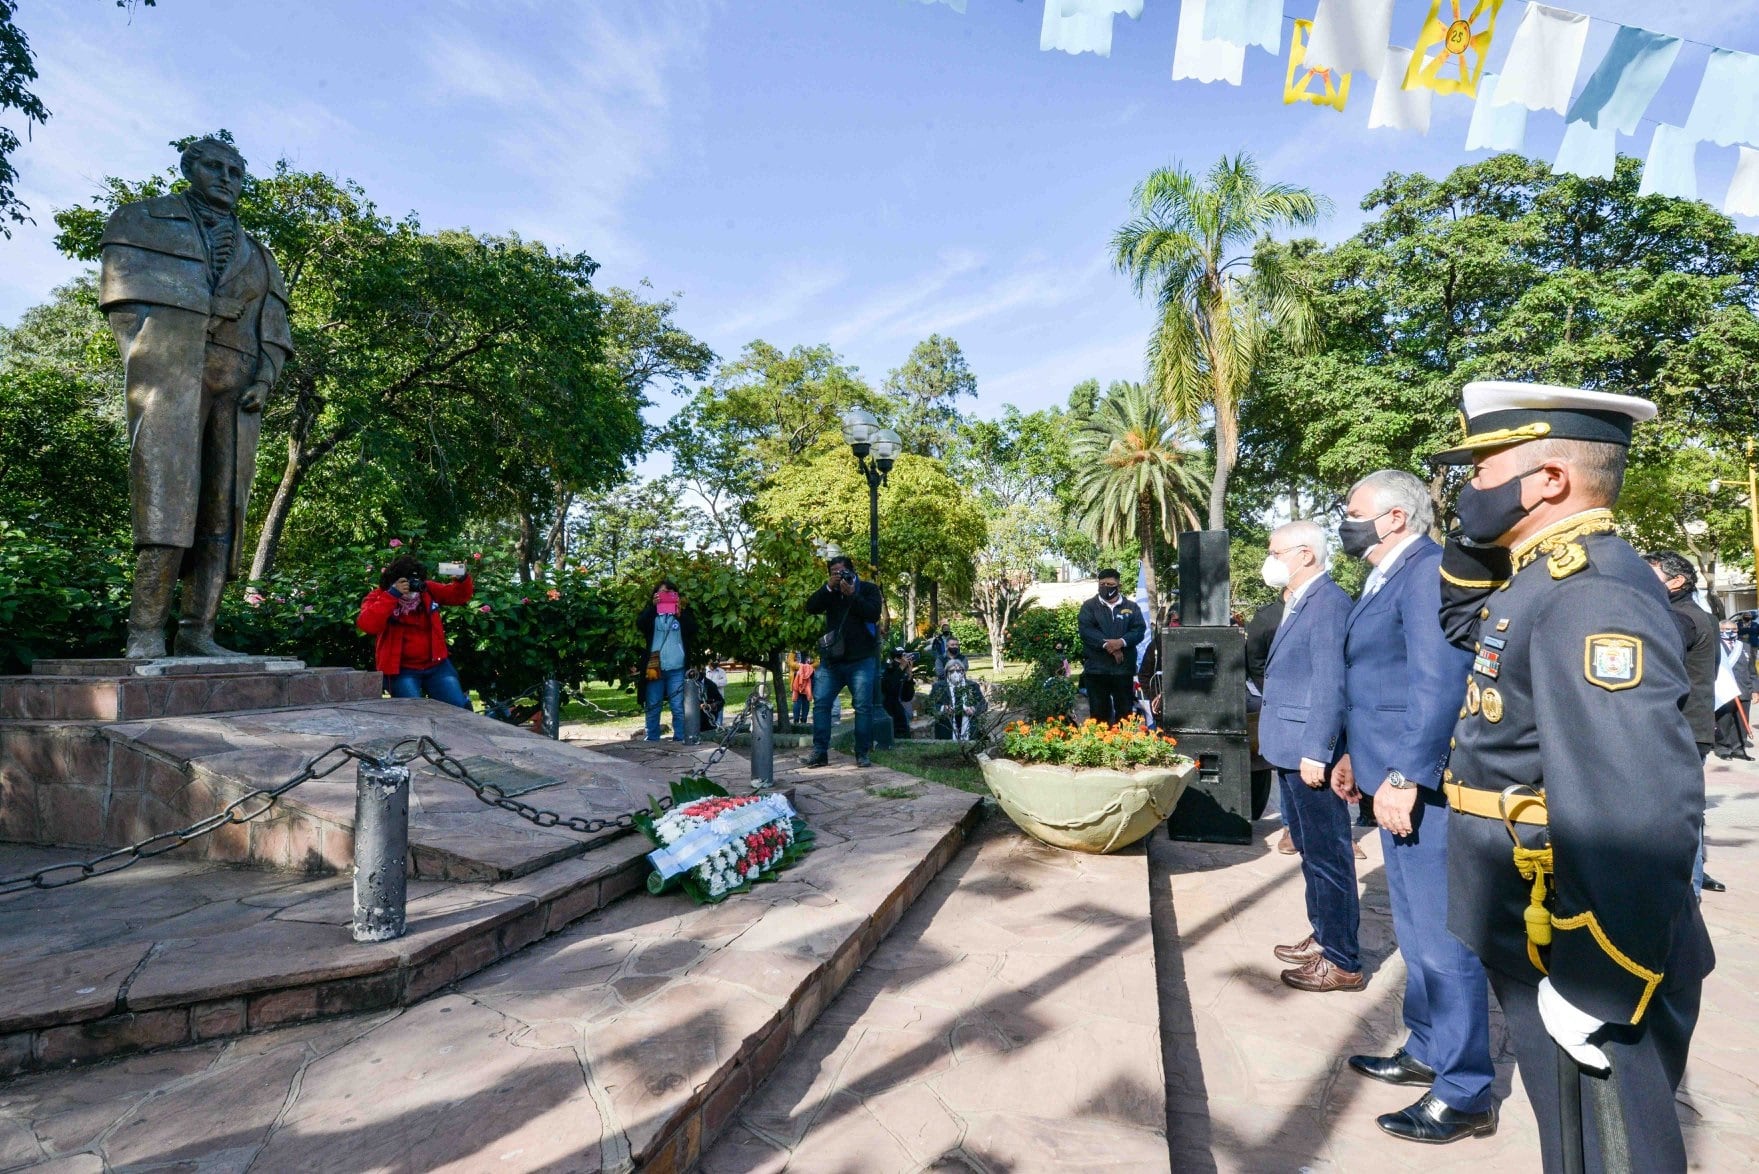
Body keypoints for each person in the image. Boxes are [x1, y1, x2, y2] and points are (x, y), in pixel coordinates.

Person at [1432, 382, 1713, 1172]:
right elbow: (1464, 623)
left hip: (1576, 934)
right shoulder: (1539, 579)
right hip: (1531, 913)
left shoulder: (1587, 594)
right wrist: (1471, 530)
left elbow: (1632, 805)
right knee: (1573, 1145)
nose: (1467, 490)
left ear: (1547, 480)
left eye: (1481, 471)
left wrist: (1597, 979)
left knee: (1613, 1152)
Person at [1332, 468, 1494, 1145]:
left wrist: (1403, 774)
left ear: (1394, 518)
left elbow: (1437, 682)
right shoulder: (1385, 574)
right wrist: (1354, 757)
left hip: (1419, 786)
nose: (1344, 520)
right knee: (1416, 934)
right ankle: (1426, 1048)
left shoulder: (1424, 571)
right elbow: (1377, 682)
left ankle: (1463, 1090)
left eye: (1352, 511)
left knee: (1442, 938)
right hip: (1385, 773)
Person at [100, 137, 293, 659]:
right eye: (215, 166)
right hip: (172, 379)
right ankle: (144, 632)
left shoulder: (260, 255)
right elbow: (124, 306)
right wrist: (171, 346)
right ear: (189, 167)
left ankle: (198, 631)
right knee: (165, 501)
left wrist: (266, 375)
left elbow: (274, 325)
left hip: (236, 391)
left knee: (222, 511)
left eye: (236, 170)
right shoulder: (141, 222)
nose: (227, 177)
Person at [1257, 521, 1362, 993]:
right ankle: (1323, 936)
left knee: (1328, 855)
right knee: (1309, 852)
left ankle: (1341, 959)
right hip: (1289, 747)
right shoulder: (1302, 601)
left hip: (1308, 752)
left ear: (1304, 554)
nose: (1270, 559)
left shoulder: (1328, 603)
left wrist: (1318, 749)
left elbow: (1330, 683)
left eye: (1276, 551)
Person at [1644, 550, 1724, 895]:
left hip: (1681, 732)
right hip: (1689, 730)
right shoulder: (1694, 614)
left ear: (1676, 582)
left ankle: (1686, 898)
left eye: (1650, 575)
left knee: (1676, 818)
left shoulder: (1683, 618)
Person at [356, 555, 475, 708]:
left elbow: (459, 596)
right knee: (414, 713)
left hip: (436, 665)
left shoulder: (427, 590)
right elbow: (367, 625)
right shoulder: (379, 596)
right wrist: (392, 595)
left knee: (457, 707)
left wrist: (462, 577)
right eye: (406, 581)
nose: (412, 586)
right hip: (401, 671)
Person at [802, 555, 884, 768]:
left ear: (852, 571)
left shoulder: (868, 589)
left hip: (861, 660)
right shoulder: (831, 592)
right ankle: (820, 752)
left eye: (842, 572)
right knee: (821, 705)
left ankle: (862, 754)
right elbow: (811, 607)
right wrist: (827, 588)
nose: (839, 577)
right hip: (833, 661)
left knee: (863, 707)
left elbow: (873, 613)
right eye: (834, 573)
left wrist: (852, 596)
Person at [1078, 568, 1147, 725]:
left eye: (1110, 584)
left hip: (1123, 670)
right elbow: (1086, 631)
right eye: (1102, 583)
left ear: (1118, 585)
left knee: (1125, 714)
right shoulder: (1089, 606)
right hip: (1096, 671)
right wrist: (1108, 645)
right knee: (1098, 715)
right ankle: (1101, 747)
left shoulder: (1131, 607)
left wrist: (1120, 643)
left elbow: (1138, 630)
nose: (1106, 587)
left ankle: (1123, 746)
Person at [637, 581, 698, 743]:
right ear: (655, 595)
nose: (666, 596)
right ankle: (652, 737)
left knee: (678, 706)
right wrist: (652, 608)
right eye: (662, 593)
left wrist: (680, 614)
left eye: (670, 593)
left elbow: (693, 630)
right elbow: (640, 625)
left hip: (676, 667)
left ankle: (679, 737)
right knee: (653, 704)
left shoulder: (681, 614)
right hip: (654, 665)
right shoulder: (651, 614)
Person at [1714, 619, 1756, 759]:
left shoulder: (1745, 647)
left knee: (1741, 722)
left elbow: (1752, 671)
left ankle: (1739, 748)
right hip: (1724, 690)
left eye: (1733, 630)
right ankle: (1723, 748)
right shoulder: (1715, 647)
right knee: (1724, 721)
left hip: (1743, 689)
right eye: (1726, 630)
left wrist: (1755, 690)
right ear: (1720, 631)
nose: (1730, 633)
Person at [930, 661, 988, 741]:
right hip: (946, 728)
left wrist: (973, 709)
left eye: (959, 670)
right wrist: (943, 708)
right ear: (947, 673)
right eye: (952, 671)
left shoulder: (972, 686)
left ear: (963, 672)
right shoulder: (939, 686)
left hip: (969, 726)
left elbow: (983, 704)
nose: (955, 673)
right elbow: (929, 706)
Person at [880, 648, 916, 739]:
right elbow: (889, 688)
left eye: (905, 656)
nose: (903, 660)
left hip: (902, 715)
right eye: (900, 657)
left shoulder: (904, 673)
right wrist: (900, 669)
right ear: (892, 659)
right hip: (888, 712)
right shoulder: (886, 670)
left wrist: (909, 676)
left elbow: (907, 697)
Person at [790, 653, 814, 725]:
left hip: (808, 680)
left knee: (806, 701)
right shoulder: (793, 651)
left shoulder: (811, 650)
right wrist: (801, 667)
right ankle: (796, 720)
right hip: (796, 678)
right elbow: (790, 662)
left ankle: (804, 720)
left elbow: (817, 663)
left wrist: (808, 667)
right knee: (796, 700)